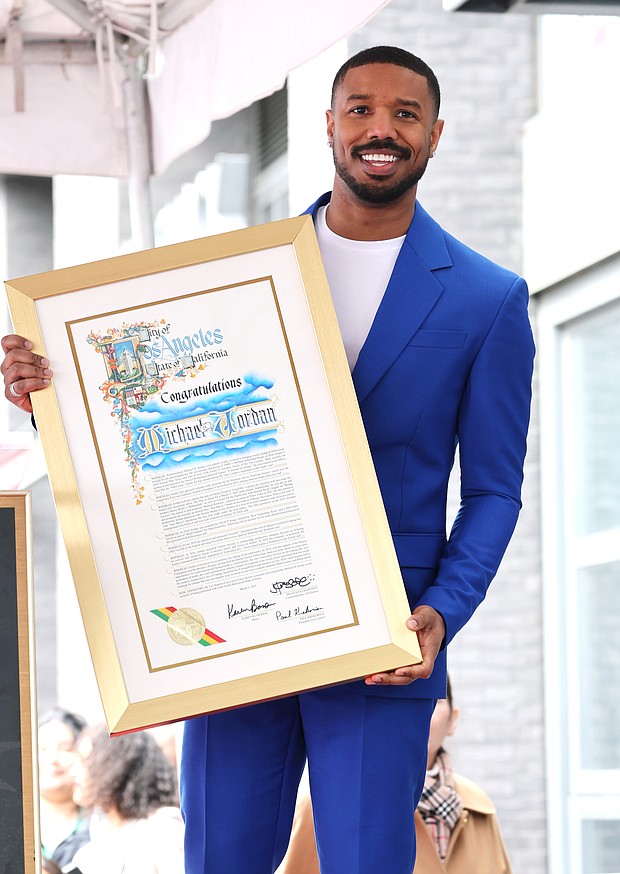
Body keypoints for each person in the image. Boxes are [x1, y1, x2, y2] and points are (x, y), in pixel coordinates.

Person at [1, 45, 534, 874]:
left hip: (385, 638)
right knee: (221, 857)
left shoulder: (486, 298)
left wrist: (443, 609)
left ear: (435, 134)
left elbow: (495, 490)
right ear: (329, 124)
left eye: (405, 114)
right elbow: (155, 426)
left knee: (365, 862)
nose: (381, 129)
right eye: (360, 109)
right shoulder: (233, 277)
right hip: (235, 624)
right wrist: (51, 396)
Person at [278, 677, 512, 873]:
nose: (423, 713)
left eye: (435, 701)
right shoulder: (325, 802)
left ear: (453, 720)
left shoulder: (478, 806)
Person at [61, 724, 184, 874]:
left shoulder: (162, 829)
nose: (73, 771)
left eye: (86, 761)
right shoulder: (88, 853)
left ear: (117, 766)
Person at [38, 709, 90, 869]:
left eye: (66, 749)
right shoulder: (11, 825)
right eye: (42, 749)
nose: (52, 759)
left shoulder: (100, 826)